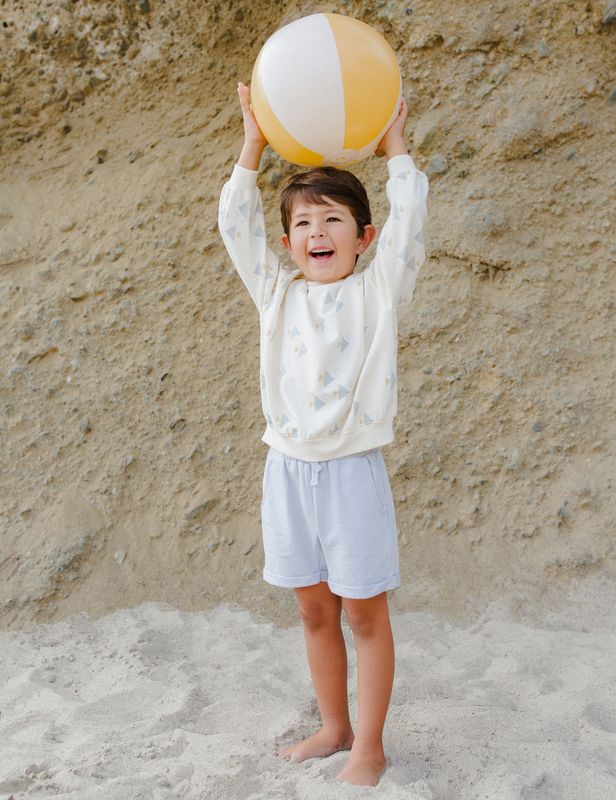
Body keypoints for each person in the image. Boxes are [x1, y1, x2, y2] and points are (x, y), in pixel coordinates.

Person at [218, 81, 429, 787]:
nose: (318, 232)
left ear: (363, 238)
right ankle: (334, 726)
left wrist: (395, 148)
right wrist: (253, 142)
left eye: (334, 219)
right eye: (305, 223)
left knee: (364, 614)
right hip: (287, 472)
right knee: (313, 610)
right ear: (288, 244)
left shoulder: (378, 292)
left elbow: (410, 221)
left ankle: (370, 745)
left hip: (350, 473)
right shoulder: (276, 294)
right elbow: (234, 224)